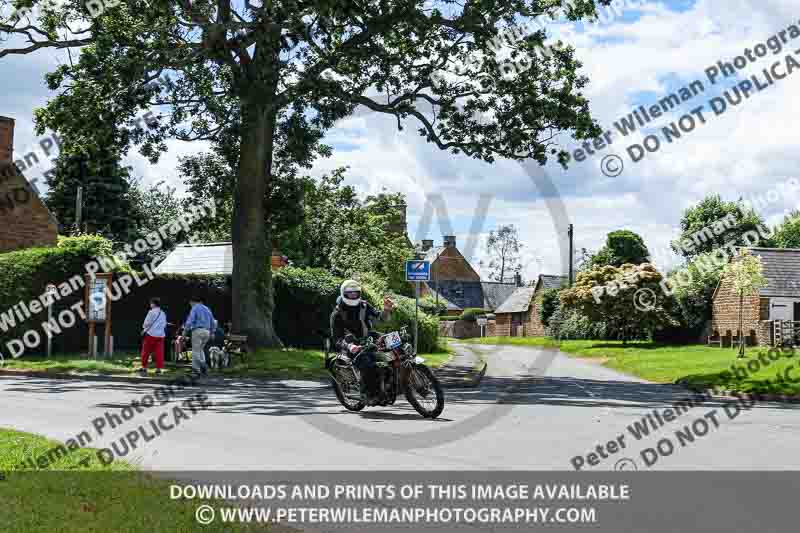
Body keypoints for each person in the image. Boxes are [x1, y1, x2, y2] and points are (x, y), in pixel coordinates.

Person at [329, 280, 394, 405]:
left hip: (369, 338)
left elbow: (380, 318)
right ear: (344, 293)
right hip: (351, 345)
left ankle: (396, 383)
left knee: (395, 347)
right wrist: (350, 346)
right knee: (368, 364)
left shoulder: (364, 305)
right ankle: (369, 395)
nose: (353, 295)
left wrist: (386, 310)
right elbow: (337, 339)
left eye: (356, 293)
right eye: (350, 293)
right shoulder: (337, 313)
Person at [184, 296, 215, 377]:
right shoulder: (208, 309)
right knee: (200, 350)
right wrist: (212, 332)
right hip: (207, 332)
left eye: (190, 303)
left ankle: (202, 365)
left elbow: (190, 320)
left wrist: (185, 331)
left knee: (195, 351)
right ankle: (198, 370)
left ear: (192, 302)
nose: (190, 305)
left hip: (197, 331)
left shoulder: (195, 308)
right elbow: (213, 322)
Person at [140, 298, 167, 376]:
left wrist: (144, 329)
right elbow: (164, 324)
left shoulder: (151, 312)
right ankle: (158, 369)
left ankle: (144, 367)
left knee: (146, 351)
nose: (150, 305)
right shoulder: (163, 313)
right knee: (159, 352)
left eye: (151, 303)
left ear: (153, 304)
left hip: (151, 334)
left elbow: (146, 323)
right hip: (161, 335)